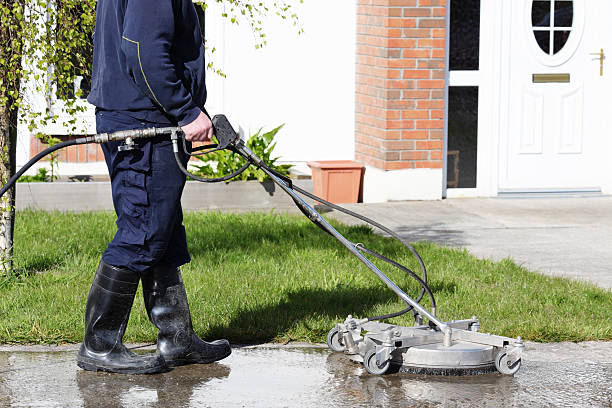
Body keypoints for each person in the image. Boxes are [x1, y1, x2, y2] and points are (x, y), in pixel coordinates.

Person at [78, 0, 230, 374]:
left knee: (161, 229)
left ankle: (176, 340)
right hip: (144, 125)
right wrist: (186, 111)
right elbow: (143, 50)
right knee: (142, 232)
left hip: (142, 118)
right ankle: (100, 345)